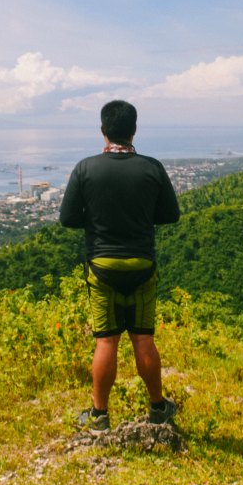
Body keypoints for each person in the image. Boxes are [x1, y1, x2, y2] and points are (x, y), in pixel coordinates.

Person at [59, 100, 181, 432]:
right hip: (142, 264)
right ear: (134, 130)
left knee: (106, 341)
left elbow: (68, 219)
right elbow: (170, 215)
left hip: (102, 266)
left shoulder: (86, 169)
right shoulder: (151, 168)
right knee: (143, 339)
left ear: (103, 130)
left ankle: (100, 416)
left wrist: (97, 220)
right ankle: (158, 408)